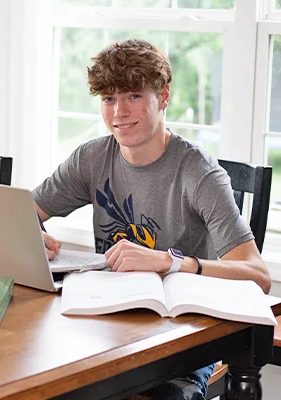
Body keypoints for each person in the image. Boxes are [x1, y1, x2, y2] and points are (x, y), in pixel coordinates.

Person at [32, 38, 271, 400]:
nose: (118, 113)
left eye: (133, 96)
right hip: (103, 323)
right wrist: (31, 234)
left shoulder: (199, 172)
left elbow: (258, 276)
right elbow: (24, 213)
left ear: (163, 97)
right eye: (109, 99)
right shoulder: (91, 158)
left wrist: (169, 261)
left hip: (180, 337)